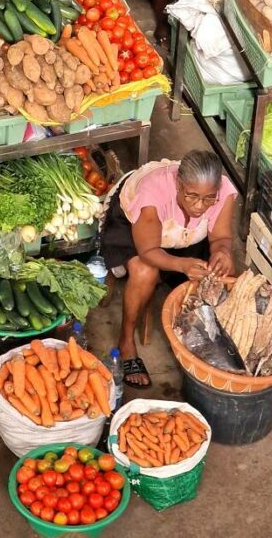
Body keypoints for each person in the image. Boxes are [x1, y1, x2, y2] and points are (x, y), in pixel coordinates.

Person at [99, 150, 236, 388]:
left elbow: (221, 237)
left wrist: (221, 252)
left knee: (223, 270)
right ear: (179, 184)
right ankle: (126, 342)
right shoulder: (153, 192)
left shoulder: (223, 192)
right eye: (192, 195)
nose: (199, 205)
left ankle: (207, 345)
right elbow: (148, 251)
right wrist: (182, 265)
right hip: (136, 230)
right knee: (145, 271)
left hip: (182, 235)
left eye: (208, 198)